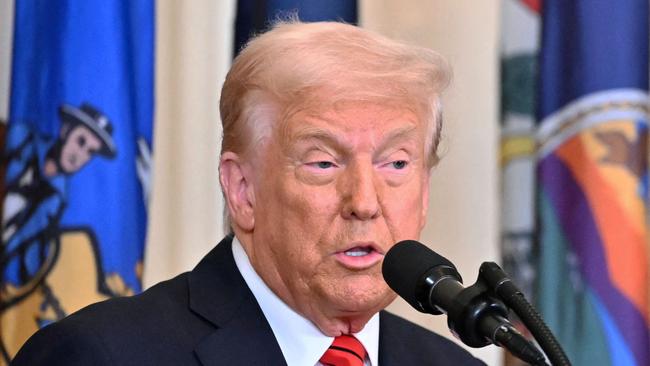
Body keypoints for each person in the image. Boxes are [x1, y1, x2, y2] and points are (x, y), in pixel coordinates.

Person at [12, 21, 485, 365]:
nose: (364, 201)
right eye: (323, 162)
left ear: (424, 193)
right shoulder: (101, 356)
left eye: (396, 163)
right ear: (242, 191)